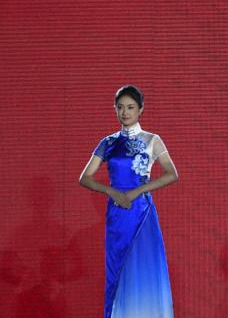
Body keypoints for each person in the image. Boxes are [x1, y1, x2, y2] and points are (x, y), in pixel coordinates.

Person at [78, 85, 178, 318]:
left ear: (141, 109)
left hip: (141, 211)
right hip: (117, 212)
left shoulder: (152, 140)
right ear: (115, 109)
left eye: (130, 107)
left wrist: (137, 191)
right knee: (117, 269)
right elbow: (85, 177)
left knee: (144, 267)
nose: (125, 112)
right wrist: (111, 192)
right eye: (120, 107)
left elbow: (172, 174)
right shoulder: (108, 142)